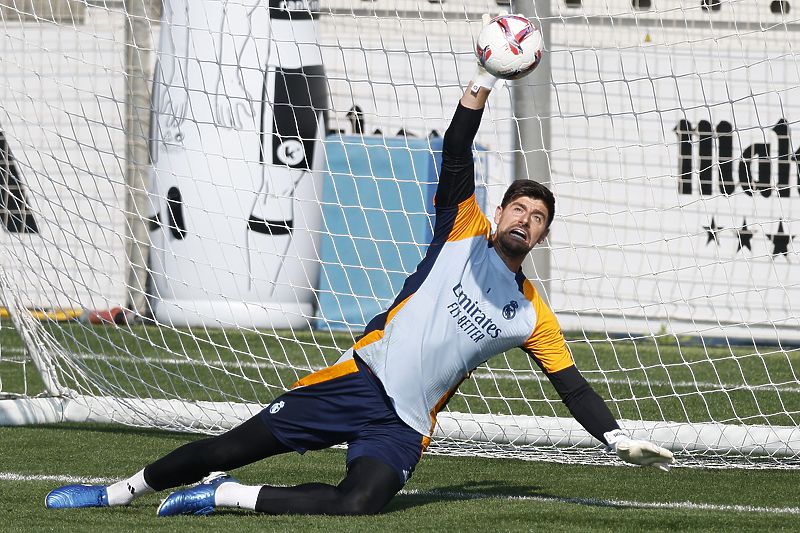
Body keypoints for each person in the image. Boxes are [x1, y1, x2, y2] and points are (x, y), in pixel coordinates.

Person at [45, 56, 674, 518]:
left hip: (403, 423)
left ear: (540, 239)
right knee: (235, 443)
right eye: (519, 209)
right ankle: (116, 490)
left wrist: (614, 437)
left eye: (538, 219)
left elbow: (574, 386)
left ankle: (226, 496)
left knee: (361, 504)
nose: (525, 220)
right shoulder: (462, 226)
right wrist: (484, 78)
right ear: (500, 211)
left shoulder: (529, 313)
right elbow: (456, 148)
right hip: (357, 382)